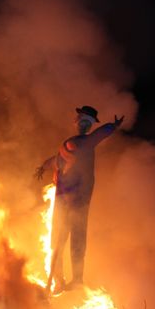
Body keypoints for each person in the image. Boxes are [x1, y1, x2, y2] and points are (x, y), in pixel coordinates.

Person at [35, 105, 124, 294]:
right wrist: (44, 166)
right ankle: (59, 280)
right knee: (59, 238)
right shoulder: (72, 143)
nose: (80, 122)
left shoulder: (85, 142)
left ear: (85, 122)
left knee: (74, 238)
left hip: (77, 199)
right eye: (81, 119)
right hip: (64, 196)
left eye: (84, 120)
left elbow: (100, 134)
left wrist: (112, 126)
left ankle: (75, 281)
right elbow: (58, 160)